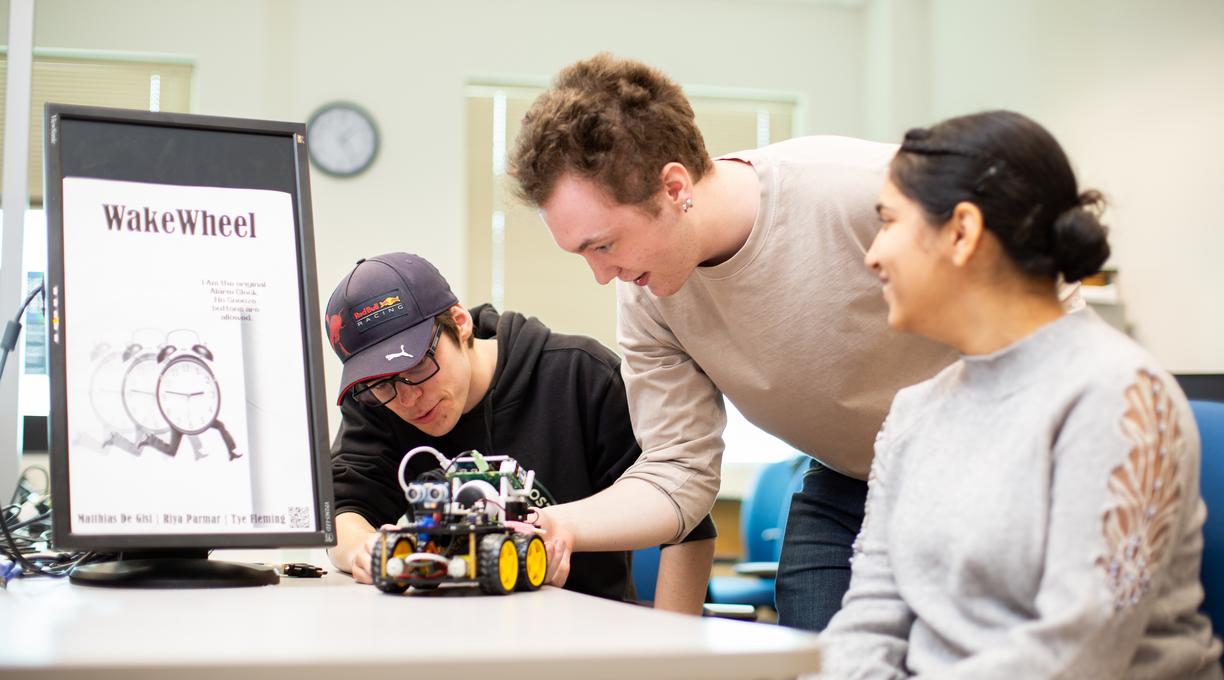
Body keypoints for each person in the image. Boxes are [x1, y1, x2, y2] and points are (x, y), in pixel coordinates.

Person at [507, 53, 978, 630]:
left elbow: (1035, 301)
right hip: (853, 483)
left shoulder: (860, 191)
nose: (601, 274)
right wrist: (563, 526)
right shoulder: (647, 297)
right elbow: (678, 473)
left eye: (602, 245)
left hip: (982, 474)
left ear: (674, 186)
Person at [816, 110, 1223, 678]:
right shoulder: (915, 411)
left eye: (888, 222)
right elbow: (868, 620)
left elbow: (1076, 653)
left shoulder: (1120, 395)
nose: (872, 255)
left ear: (961, 232)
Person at [323, 252, 715, 608]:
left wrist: (676, 655)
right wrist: (365, 548)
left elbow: (687, 523)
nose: (406, 399)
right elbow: (341, 512)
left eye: (415, 370)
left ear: (460, 324)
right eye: (382, 384)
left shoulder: (581, 377)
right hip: (443, 641)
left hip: (584, 641)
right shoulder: (377, 400)